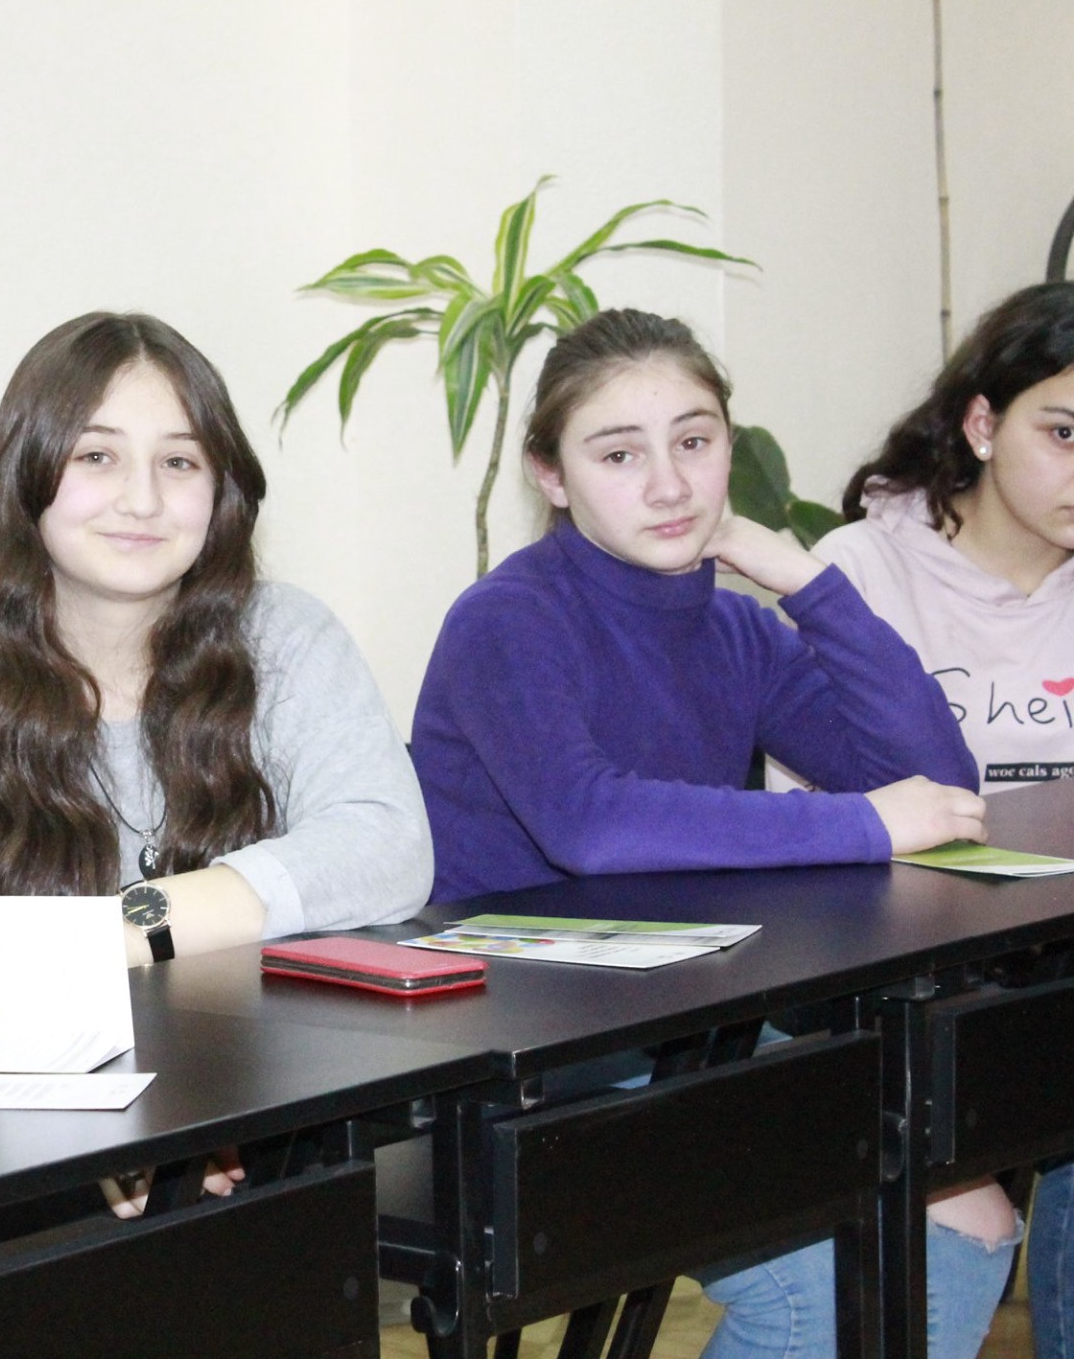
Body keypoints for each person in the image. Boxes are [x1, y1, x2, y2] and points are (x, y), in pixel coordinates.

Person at [409, 308, 1015, 1359]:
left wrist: (808, 583)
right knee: (831, 1294)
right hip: (529, 1064)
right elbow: (590, 824)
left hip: (690, 1021)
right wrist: (862, 823)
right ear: (551, 476)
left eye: (693, 441)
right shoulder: (506, 618)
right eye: (618, 454)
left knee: (970, 1227)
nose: (668, 485)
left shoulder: (734, 625)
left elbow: (936, 784)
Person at [0, 310, 432, 1214]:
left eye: (179, 462)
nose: (142, 499)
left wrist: (123, 931)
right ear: (26, 473)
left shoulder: (287, 638)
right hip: (28, 1143)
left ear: (221, 488)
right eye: (97, 456)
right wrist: (83, 1109)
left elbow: (387, 846)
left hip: (277, 1106)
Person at [814, 281, 1074, 1359]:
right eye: (1063, 434)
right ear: (980, 423)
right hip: (907, 977)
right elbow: (824, 827)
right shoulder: (860, 573)